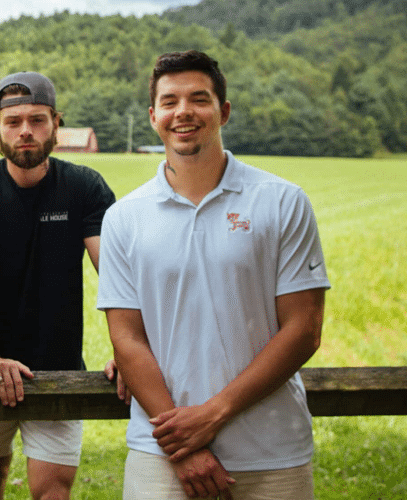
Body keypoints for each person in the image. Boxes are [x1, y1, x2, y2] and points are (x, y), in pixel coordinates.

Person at [97, 50, 330, 500]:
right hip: (160, 452)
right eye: (169, 102)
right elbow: (126, 338)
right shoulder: (124, 217)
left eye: (198, 99)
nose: (183, 111)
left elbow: (304, 329)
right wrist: (182, 446)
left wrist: (213, 414)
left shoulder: (282, 201)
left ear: (223, 111)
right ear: (153, 116)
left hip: (271, 450)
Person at [0, 72, 117, 500]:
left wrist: (128, 349)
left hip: (57, 366)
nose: (25, 131)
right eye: (13, 121)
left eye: (37, 120)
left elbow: (117, 274)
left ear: (56, 123)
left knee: (52, 492)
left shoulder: (83, 187)